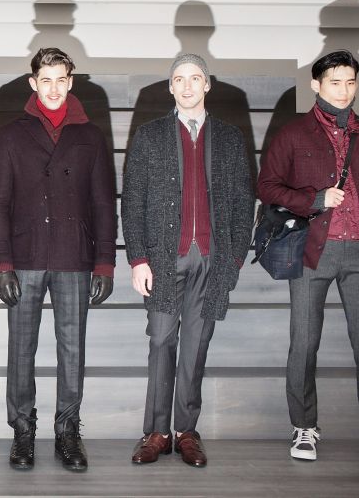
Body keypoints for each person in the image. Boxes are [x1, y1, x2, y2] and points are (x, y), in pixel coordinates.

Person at [0, 48, 117, 472]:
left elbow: (102, 202)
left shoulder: (92, 136)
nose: (54, 88)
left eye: (61, 79)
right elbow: (0, 201)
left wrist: (104, 263)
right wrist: (1, 264)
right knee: (20, 349)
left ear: (71, 82)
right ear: (33, 83)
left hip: (74, 256)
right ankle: (23, 432)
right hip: (24, 256)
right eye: (46, 80)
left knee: (72, 351)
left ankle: (68, 431)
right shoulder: (9, 134)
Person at [122, 53, 253, 468]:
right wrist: (138, 258)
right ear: (170, 86)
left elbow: (242, 201)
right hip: (163, 259)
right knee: (161, 340)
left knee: (196, 348)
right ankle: (157, 431)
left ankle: (186, 431)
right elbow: (133, 201)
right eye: (179, 79)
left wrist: (232, 259)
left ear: (207, 84)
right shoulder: (150, 135)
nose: (187, 85)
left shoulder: (231, 138)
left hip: (211, 260)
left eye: (195, 78)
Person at [257, 50, 359, 461]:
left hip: (358, 251)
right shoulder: (293, 134)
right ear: (316, 85)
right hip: (313, 250)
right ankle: (303, 427)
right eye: (336, 82)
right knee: (304, 342)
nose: (345, 90)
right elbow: (267, 187)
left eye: (351, 82)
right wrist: (314, 198)